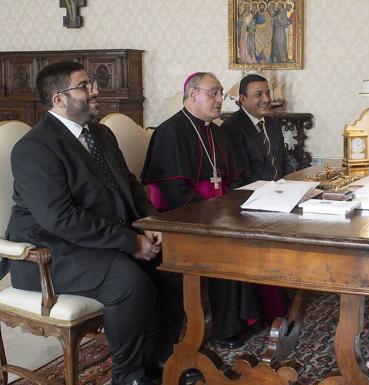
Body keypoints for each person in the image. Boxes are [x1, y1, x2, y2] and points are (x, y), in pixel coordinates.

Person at [5, 61, 183, 385]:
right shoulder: (34, 149)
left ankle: (158, 359)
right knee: (129, 283)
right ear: (59, 99)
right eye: (85, 86)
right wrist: (130, 243)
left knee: (174, 268)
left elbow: (129, 185)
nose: (95, 91)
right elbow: (61, 219)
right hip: (51, 253)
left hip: (99, 241)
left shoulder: (100, 133)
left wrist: (152, 224)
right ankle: (127, 376)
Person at [140, 72, 261, 349]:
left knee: (254, 232)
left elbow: (235, 178)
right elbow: (173, 193)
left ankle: (246, 318)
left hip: (219, 210)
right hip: (183, 218)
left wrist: (235, 205)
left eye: (221, 94)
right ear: (192, 94)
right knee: (226, 243)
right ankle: (222, 328)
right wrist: (218, 211)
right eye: (213, 93)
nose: (220, 99)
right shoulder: (170, 132)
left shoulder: (215, 131)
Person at [222, 73, 294, 182]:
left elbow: (285, 161)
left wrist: (290, 183)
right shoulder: (232, 127)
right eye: (259, 94)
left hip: (282, 189)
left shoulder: (272, 123)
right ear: (242, 99)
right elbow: (244, 174)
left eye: (268, 93)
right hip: (254, 193)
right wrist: (272, 190)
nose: (266, 99)